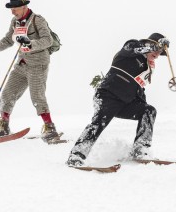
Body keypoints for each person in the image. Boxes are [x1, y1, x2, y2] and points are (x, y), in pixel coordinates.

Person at [66, 33, 170, 167]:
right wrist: (155, 45)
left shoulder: (147, 67)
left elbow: (139, 89)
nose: (158, 53)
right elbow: (134, 48)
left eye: (160, 51)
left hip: (126, 102)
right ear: (149, 44)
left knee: (149, 111)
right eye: (156, 49)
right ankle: (76, 155)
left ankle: (140, 149)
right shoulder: (132, 47)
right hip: (108, 95)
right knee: (99, 123)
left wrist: (142, 106)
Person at [0, 0, 60, 142]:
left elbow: (48, 40)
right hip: (21, 64)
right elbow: (8, 40)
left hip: (38, 64)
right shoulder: (15, 21)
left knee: (37, 96)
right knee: (7, 94)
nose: (13, 11)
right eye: (11, 8)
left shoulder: (38, 20)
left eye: (15, 8)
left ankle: (50, 127)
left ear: (24, 6)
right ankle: (4, 125)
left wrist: (30, 44)